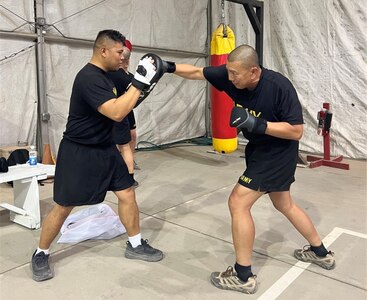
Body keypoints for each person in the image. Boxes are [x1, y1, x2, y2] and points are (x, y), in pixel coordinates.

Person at [161, 45, 335, 294]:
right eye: (229, 73)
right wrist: (168, 67)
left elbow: (296, 130)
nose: (230, 79)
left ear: (254, 72)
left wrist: (257, 124)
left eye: (235, 75)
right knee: (284, 204)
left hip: (277, 153)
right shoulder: (232, 74)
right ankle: (320, 253)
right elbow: (198, 72)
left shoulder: (278, 87)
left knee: (238, 203)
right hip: (259, 152)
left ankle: (243, 276)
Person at [31, 29, 164, 282]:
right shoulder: (88, 78)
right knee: (64, 206)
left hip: (105, 148)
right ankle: (41, 253)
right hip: (80, 151)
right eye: (118, 52)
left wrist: (158, 71)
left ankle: (135, 244)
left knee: (127, 193)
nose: (122, 56)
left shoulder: (111, 74)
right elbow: (116, 112)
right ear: (103, 51)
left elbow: (135, 98)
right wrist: (138, 83)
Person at [107, 39, 139, 187]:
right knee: (123, 145)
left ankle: (129, 176)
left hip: (123, 112)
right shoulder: (117, 75)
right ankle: (126, 173)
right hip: (117, 112)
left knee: (128, 141)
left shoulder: (127, 76)